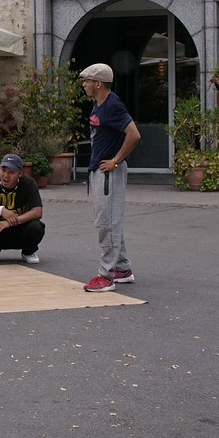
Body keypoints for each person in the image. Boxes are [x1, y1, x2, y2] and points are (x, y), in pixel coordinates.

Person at [79, 63, 141, 293]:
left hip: (109, 174)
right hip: (99, 171)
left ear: (98, 84)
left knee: (107, 224)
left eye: (87, 81)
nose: (84, 84)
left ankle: (106, 276)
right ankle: (122, 269)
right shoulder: (98, 105)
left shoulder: (113, 105)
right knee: (108, 221)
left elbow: (134, 135)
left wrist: (115, 161)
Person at [0, 153, 45, 264]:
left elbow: (37, 211)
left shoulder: (28, 184)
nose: (6, 175)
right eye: (3, 170)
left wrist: (10, 222)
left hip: (21, 231)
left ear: (20, 173)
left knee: (36, 226)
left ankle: (28, 252)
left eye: (11, 172)